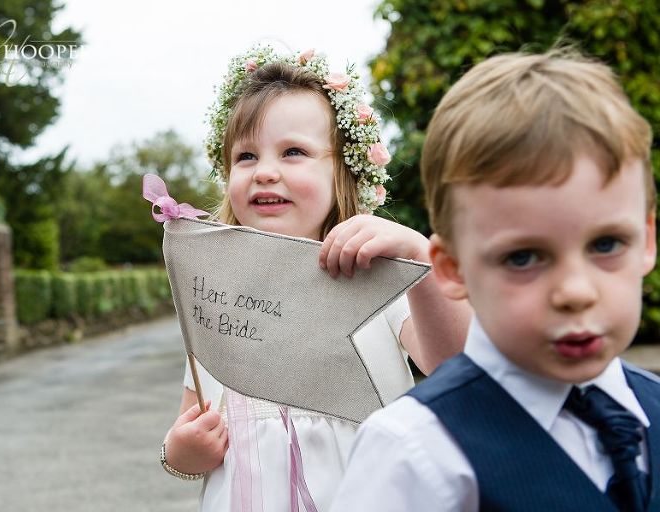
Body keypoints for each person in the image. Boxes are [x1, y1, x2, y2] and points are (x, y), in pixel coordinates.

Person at [331, 49, 660, 512]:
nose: (576, 292)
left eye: (606, 245)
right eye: (523, 257)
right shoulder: (414, 452)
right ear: (452, 268)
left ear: (646, 240)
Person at [159, 45, 471, 511]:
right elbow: (191, 422)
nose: (264, 172)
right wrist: (180, 452)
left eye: (293, 152)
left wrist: (417, 256)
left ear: (341, 173)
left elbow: (456, 364)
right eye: (245, 156)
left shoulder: (376, 275)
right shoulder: (216, 294)